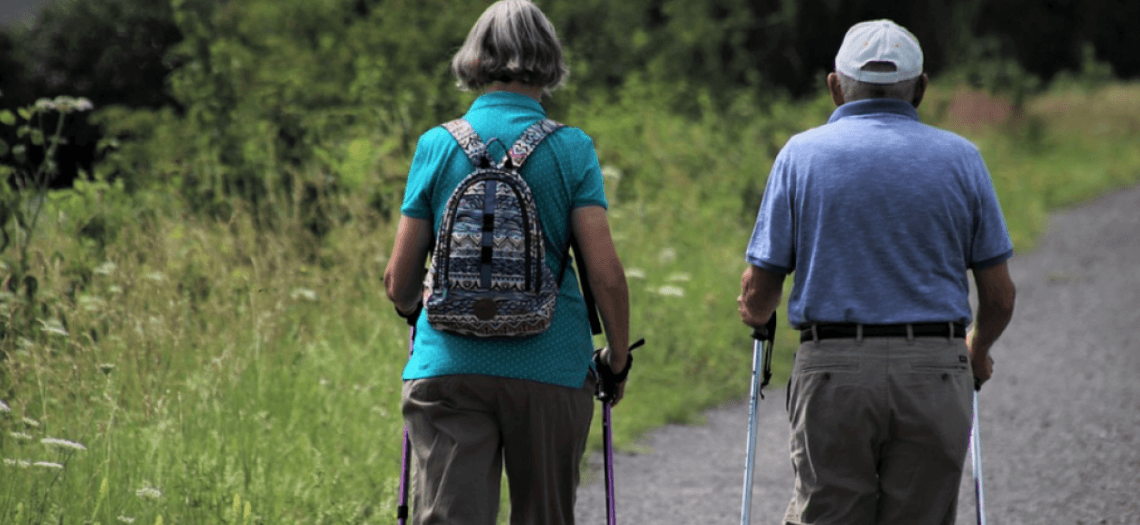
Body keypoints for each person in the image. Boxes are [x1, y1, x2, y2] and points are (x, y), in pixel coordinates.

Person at [738, 20, 1016, 525]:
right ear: (923, 89)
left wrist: (754, 312)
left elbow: (761, 289)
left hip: (833, 371)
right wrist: (976, 350)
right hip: (935, 370)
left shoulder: (801, 155)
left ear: (834, 86)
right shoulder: (963, 159)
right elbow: (998, 297)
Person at [383, 1, 631, 523]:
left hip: (448, 367)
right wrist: (617, 359)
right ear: (549, 61)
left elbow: (398, 281)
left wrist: (413, 306)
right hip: (550, 366)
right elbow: (605, 274)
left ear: (473, 60)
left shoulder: (436, 145)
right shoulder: (571, 149)